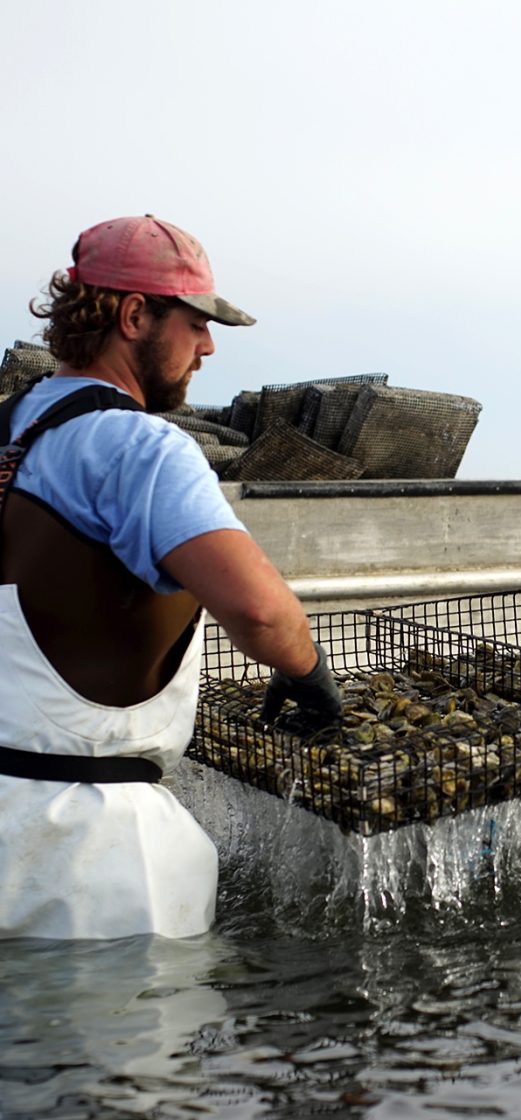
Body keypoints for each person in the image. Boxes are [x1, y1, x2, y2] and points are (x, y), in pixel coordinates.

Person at [0, 214, 342, 940]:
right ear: (134, 316)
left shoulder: (10, 432)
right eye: (195, 325)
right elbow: (258, 612)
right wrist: (309, 676)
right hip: (90, 862)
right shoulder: (139, 447)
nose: (207, 348)